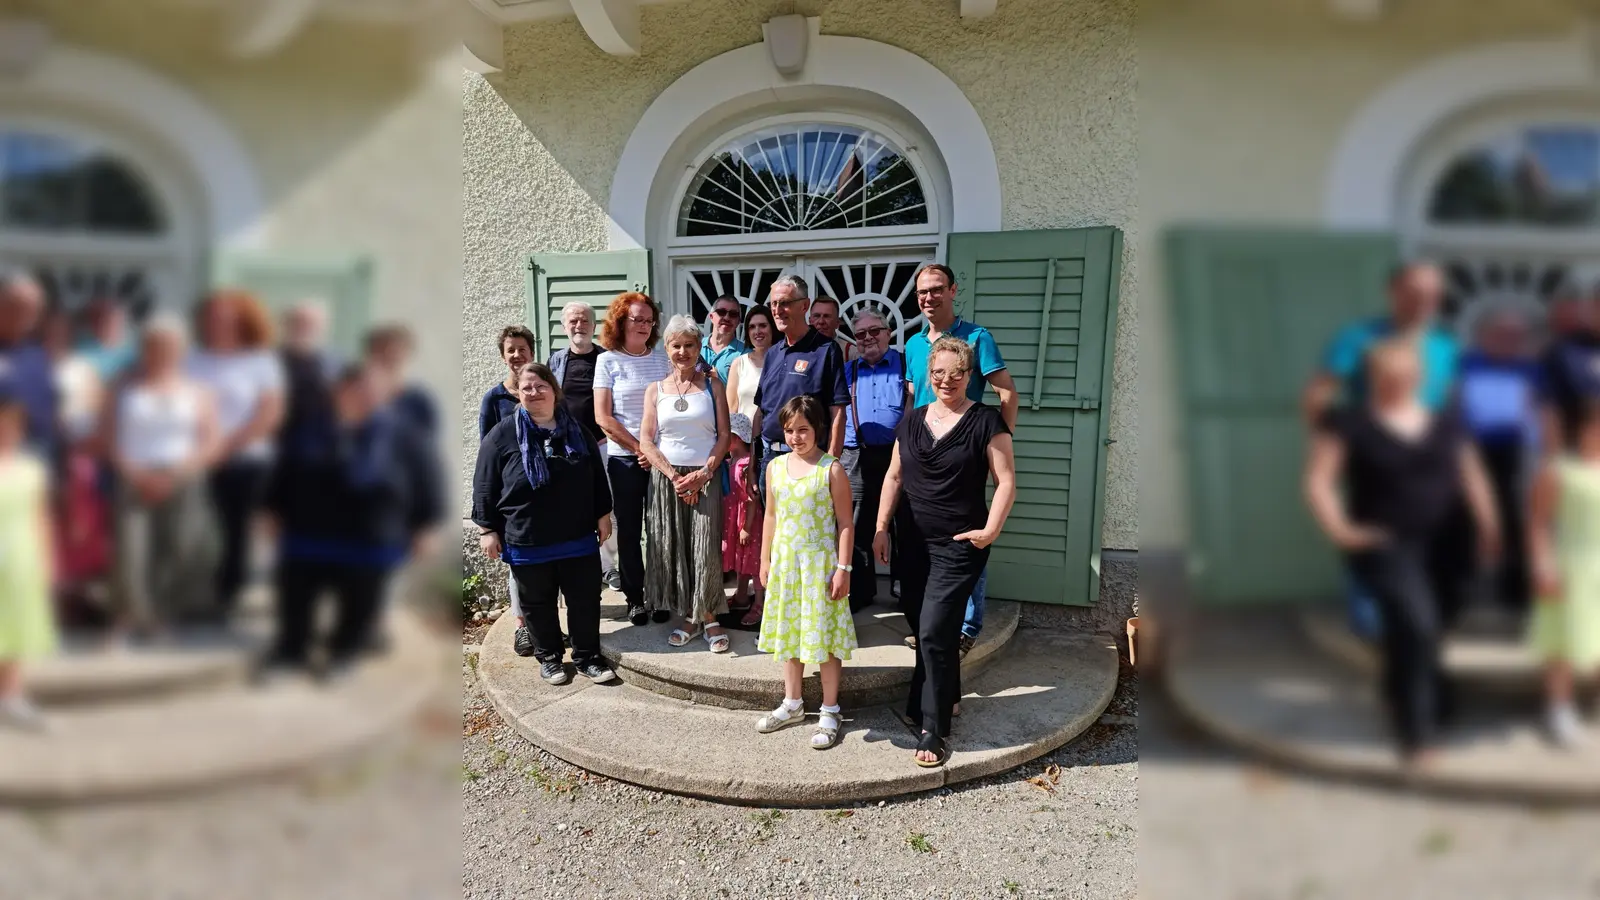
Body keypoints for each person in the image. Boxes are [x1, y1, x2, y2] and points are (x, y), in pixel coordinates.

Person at [1304, 341, 1500, 766]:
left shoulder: (1447, 424)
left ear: (1419, 377)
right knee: (1418, 625)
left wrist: (1488, 525)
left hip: (1451, 543)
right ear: (1374, 378)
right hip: (1386, 544)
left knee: (1426, 626)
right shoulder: (1348, 423)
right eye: (1388, 376)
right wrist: (1341, 530)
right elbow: (1320, 481)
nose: (1398, 383)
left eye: (1406, 375)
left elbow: (1472, 475)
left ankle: (1398, 690)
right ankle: (1418, 734)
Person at [874, 337, 1017, 767]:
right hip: (912, 542)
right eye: (938, 372)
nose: (946, 380)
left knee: (936, 630)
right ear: (928, 374)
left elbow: (1005, 479)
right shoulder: (913, 421)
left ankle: (933, 727)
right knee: (921, 623)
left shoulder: (986, 421)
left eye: (956, 373)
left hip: (959, 546)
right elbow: (894, 477)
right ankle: (945, 694)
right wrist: (881, 527)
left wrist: (991, 529)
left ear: (969, 376)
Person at [1303, 262, 1461, 641]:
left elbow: (1448, 401)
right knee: (1372, 558)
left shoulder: (1444, 345)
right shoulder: (1359, 338)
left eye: (1434, 293)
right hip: (1374, 460)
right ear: (1394, 292)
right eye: (1416, 291)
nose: (1426, 301)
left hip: (1424, 465)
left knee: (1426, 575)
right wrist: (1331, 447)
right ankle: (1380, 638)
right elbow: (1318, 394)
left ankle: (1409, 646)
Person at [260, 362, 443, 681]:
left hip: (371, 535)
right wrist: (270, 509)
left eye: (373, 391)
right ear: (339, 392)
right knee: (295, 597)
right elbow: (283, 470)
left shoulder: (405, 433)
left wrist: (425, 525)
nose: (365, 396)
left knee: (359, 604)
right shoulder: (309, 427)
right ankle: (291, 650)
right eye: (357, 389)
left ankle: (343, 652)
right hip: (308, 531)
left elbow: (426, 479)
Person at [473, 362, 617, 686]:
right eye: (527, 388)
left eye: (541, 386)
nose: (534, 392)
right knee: (537, 603)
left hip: (577, 535)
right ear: (519, 394)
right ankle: (550, 657)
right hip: (528, 537)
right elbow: (484, 484)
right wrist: (487, 529)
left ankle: (587, 657)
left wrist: (603, 513)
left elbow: (596, 473)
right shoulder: (502, 434)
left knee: (584, 599)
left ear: (554, 390)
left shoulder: (577, 430)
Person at [903, 264, 1018, 657]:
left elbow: (1006, 392)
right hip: (922, 451)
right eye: (922, 292)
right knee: (927, 538)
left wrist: (998, 441)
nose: (929, 298)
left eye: (936, 289)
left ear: (953, 290)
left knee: (969, 532)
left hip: (963, 451)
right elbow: (912, 397)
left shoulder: (977, 337)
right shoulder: (914, 344)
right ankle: (933, 619)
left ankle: (968, 626)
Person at [105, 315, 222, 641]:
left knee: (179, 549)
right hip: (133, 477)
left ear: (182, 349)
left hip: (182, 478)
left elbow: (211, 442)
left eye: (170, 346)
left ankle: (160, 614)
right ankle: (128, 617)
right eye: (154, 345)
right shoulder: (122, 386)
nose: (162, 351)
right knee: (131, 551)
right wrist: (136, 474)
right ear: (144, 348)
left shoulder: (199, 391)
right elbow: (109, 438)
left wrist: (175, 473)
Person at [753, 396, 857, 750]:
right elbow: (770, 516)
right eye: (790, 430)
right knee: (790, 633)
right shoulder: (775, 468)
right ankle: (793, 703)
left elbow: (845, 523)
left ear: (817, 430)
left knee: (824, 638)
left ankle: (830, 709)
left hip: (820, 568)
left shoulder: (831, 469)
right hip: (786, 565)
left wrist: (843, 568)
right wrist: (765, 560)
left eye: (804, 429)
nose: (796, 437)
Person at [187, 289, 286, 623]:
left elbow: (269, 413)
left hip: (246, 461)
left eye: (224, 317)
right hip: (196, 459)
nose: (216, 323)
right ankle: (190, 592)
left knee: (235, 530)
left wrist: (226, 446)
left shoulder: (261, 361)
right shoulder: (191, 359)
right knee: (195, 528)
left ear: (242, 320)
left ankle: (227, 596)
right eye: (211, 317)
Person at [639, 316, 732, 651]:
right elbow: (646, 441)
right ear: (667, 348)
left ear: (699, 348)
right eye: (676, 345)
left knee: (705, 548)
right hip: (668, 479)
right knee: (674, 548)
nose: (683, 351)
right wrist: (676, 477)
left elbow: (724, 436)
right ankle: (693, 616)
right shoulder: (655, 390)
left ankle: (707, 617)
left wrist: (705, 473)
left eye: (689, 345)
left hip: (704, 476)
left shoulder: (713, 385)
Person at [593, 292, 673, 626]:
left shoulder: (663, 359)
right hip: (625, 460)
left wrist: (655, 451)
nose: (642, 325)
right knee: (628, 531)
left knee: (660, 529)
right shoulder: (607, 361)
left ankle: (659, 595)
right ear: (620, 321)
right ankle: (635, 598)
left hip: (660, 457)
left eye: (648, 319)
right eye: (635, 318)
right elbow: (603, 417)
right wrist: (641, 449)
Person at [1456, 307, 1541, 615]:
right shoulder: (1464, 364)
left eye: (1517, 335)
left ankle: (1515, 591)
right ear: (1483, 336)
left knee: (1516, 517)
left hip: (1517, 452)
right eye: (1503, 334)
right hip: (1468, 449)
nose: (1511, 340)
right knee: (1465, 516)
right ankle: (1461, 590)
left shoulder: (1533, 368)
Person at [1527, 401, 1600, 748]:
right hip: (1574, 565)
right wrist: (1543, 565)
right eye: (1596, 425)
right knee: (1565, 642)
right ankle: (1558, 707)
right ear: (1584, 428)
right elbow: (1539, 523)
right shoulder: (1558, 470)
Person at [752, 275, 849, 513]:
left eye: (784, 303)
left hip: (809, 462)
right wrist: (752, 463)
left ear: (804, 305)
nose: (777, 310)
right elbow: (761, 412)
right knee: (778, 536)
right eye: (773, 304)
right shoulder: (773, 353)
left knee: (811, 535)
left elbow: (838, 413)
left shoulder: (826, 350)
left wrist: (829, 465)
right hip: (770, 461)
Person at [548, 302, 620, 591]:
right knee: (579, 507)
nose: (579, 326)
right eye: (573, 321)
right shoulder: (555, 362)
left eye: (584, 321)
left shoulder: (607, 359)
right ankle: (599, 566)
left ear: (594, 326)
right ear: (565, 327)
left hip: (605, 444)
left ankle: (613, 563)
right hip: (570, 447)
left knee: (610, 505)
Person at [41, 310, 110, 611]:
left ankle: (73, 596)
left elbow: (98, 405)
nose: (57, 335)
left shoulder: (82, 366)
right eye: (50, 330)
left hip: (77, 454)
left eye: (62, 330)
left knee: (78, 524)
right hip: (38, 452)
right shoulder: (32, 362)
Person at [842, 305, 906, 612]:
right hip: (859, 456)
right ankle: (863, 591)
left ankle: (904, 589)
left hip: (900, 455)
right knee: (859, 528)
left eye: (874, 331)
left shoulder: (905, 366)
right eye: (861, 334)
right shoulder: (847, 371)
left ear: (888, 333)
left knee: (904, 525)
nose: (868, 338)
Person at [0, 394, 55, 731]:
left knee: (17, 623)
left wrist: (48, 561)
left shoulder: (32, 469)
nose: (6, 432)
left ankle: (11, 694)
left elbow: (40, 518)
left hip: (21, 555)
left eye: (12, 427)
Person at [0, 270, 57, 461]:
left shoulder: (38, 354)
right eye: (18, 307)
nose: (26, 315)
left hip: (36, 459)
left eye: (33, 309)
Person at [278, 301, 342, 462]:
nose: (304, 328)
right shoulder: (270, 361)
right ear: (286, 325)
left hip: (320, 449)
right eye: (298, 322)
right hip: (278, 447)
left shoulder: (335, 363)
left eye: (311, 324)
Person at [722, 412, 764, 624]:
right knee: (742, 560)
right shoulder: (731, 460)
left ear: (736, 437)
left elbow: (752, 499)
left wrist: (746, 526)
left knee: (754, 562)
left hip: (749, 521)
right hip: (735, 520)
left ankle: (759, 603)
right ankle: (740, 596)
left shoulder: (746, 464)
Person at [365, 323, 438, 444]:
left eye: (395, 360)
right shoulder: (356, 399)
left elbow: (428, 452)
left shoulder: (420, 402)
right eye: (383, 359)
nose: (390, 369)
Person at [479, 324, 535, 440]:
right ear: (503, 357)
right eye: (510, 350)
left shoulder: (544, 394)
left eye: (522, 349)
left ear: (532, 354)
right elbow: (487, 447)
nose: (517, 355)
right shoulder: (493, 399)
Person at [726, 304, 774, 422]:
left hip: (775, 436)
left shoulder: (784, 360)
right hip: (744, 437)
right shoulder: (739, 363)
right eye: (752, 327)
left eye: (763, 326)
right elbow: (731, 409)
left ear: (773, 328)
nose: (757, 331)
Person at [77, 296, 137, 385]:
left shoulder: (132, 354)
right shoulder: (82, 350)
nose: (110, 325)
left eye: (116, 321)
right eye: (104, 320)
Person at [701, 295, 749, 384]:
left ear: (738, 321)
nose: (727, 317)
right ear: (711, 317)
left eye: (733, 314)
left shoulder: (746, 354)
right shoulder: (696, 347)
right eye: (721, 312)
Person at [809, 295, 856, 362]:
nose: (821, 321)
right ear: (810, 321)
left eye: (827, 316)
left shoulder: (850, 352)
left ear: (837, 322)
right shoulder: (798, 349)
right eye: (817, 316)